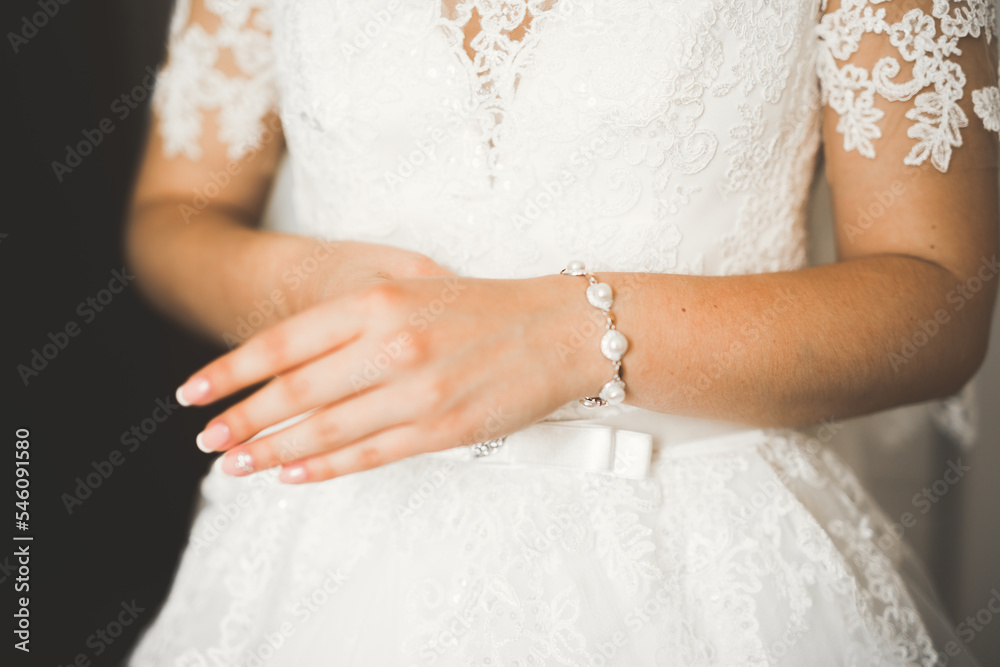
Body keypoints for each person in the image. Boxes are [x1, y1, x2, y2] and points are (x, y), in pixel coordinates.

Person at [127, 0, 999, 665]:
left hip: (705, 560)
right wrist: (315, 284)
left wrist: (572, 336)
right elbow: (174, 213)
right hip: (319, 540)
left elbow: (940, 295)